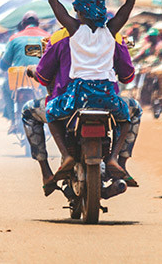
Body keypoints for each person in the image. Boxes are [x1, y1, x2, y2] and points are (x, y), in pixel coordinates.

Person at [44, 0, 136, 184]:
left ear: (80, 11)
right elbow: (129, 4)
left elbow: (53, 1)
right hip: (106, 95)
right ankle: (114, 158)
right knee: (125, 120)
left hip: (79, 94)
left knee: (51, 114)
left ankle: (66, 156)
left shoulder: (74, 30)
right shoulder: (111, 32)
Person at [23, 26, 141, 196]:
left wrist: (33, 70)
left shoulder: (60, 37)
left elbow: (43, 77)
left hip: (69, 103)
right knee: (133, 110)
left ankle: (46, 173)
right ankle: (119, 163)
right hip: (108, 101)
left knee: (29, 112)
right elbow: (127, 76)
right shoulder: (113, 37)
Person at [0, 11, 49, 133]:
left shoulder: (14, 38)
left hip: (18, 81)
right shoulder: (48, 37)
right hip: (40, 79)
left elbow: (4, 64)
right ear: (38, 23)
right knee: (48, 95)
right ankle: (48, 121)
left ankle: (13, 121)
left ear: (23, 24)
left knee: (5, 88)